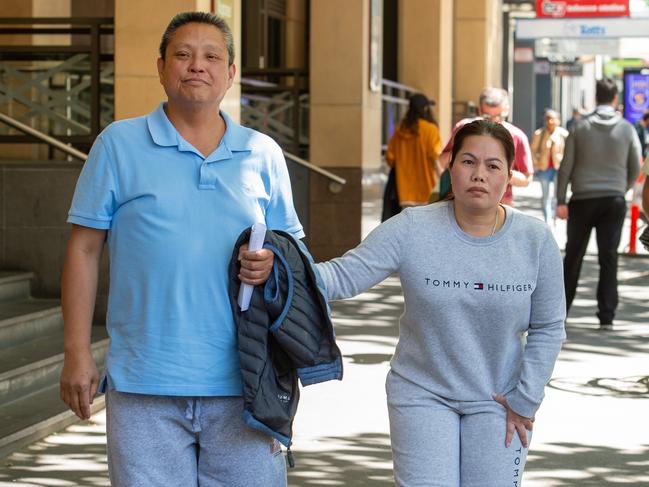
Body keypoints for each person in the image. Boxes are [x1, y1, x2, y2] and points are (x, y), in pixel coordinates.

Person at [59, 12, 302, 486]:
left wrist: (274, 263)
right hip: (144, 383)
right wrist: (76, 352)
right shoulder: (118, 145)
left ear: (231, 73)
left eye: (212, 56)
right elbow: (83, 251)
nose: (197, 66)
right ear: (161, 67)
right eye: (183, 55)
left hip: (245, 383)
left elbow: (295, 259)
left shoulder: (263, 153)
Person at [317, 120, 566, 485]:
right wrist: (281, 267)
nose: (478, 174)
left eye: (493, 166)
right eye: (468, 162)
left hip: (499, 400)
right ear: (450, 167)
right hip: (422, 393)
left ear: (509, 176)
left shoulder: (535, 240)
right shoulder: (413, 227)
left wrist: (526, 398)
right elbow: (342, 276)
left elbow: (549, 327)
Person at [557, 78, 641, 331]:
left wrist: (561, 200)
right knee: (609, 257)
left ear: (595, 97)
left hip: (582, 199)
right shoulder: (627, 129)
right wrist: (621, 188)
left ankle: (560, 312)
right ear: (615, 99)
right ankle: (607, 315)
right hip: (613, 200)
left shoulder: (579, 127)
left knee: (573, 256)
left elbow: (565, 167)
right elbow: (636, 166)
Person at [439, 87, 533, 206]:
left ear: (507, 110)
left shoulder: (517, 136)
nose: (493, 121)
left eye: (499, 116)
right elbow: (441, 162)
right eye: (487, 116)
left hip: (501, 204)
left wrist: (499, 170)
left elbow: (527, 179)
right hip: (461, 202)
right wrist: (463, 156)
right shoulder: (464, 128)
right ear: (479, 110)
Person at [385, 93, 441, 208]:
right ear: (425, 109)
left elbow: (390, 159)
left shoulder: (399, 131)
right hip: (427, 192)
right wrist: (443, 176)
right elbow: (435, 156)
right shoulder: (431, 130)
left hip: (404, 194)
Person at [531, 109, 568, 223]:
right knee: (546, 196)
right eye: (548, 119)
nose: (550, 121)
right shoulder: (539, 134)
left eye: (553, 119)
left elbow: (569, 152)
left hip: (558, 169)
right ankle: (548, 221)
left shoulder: (564, 134)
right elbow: (532, 150)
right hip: (544, 169)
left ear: (558, 120)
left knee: (557, 196)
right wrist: (536, 162)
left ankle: (555, 218)